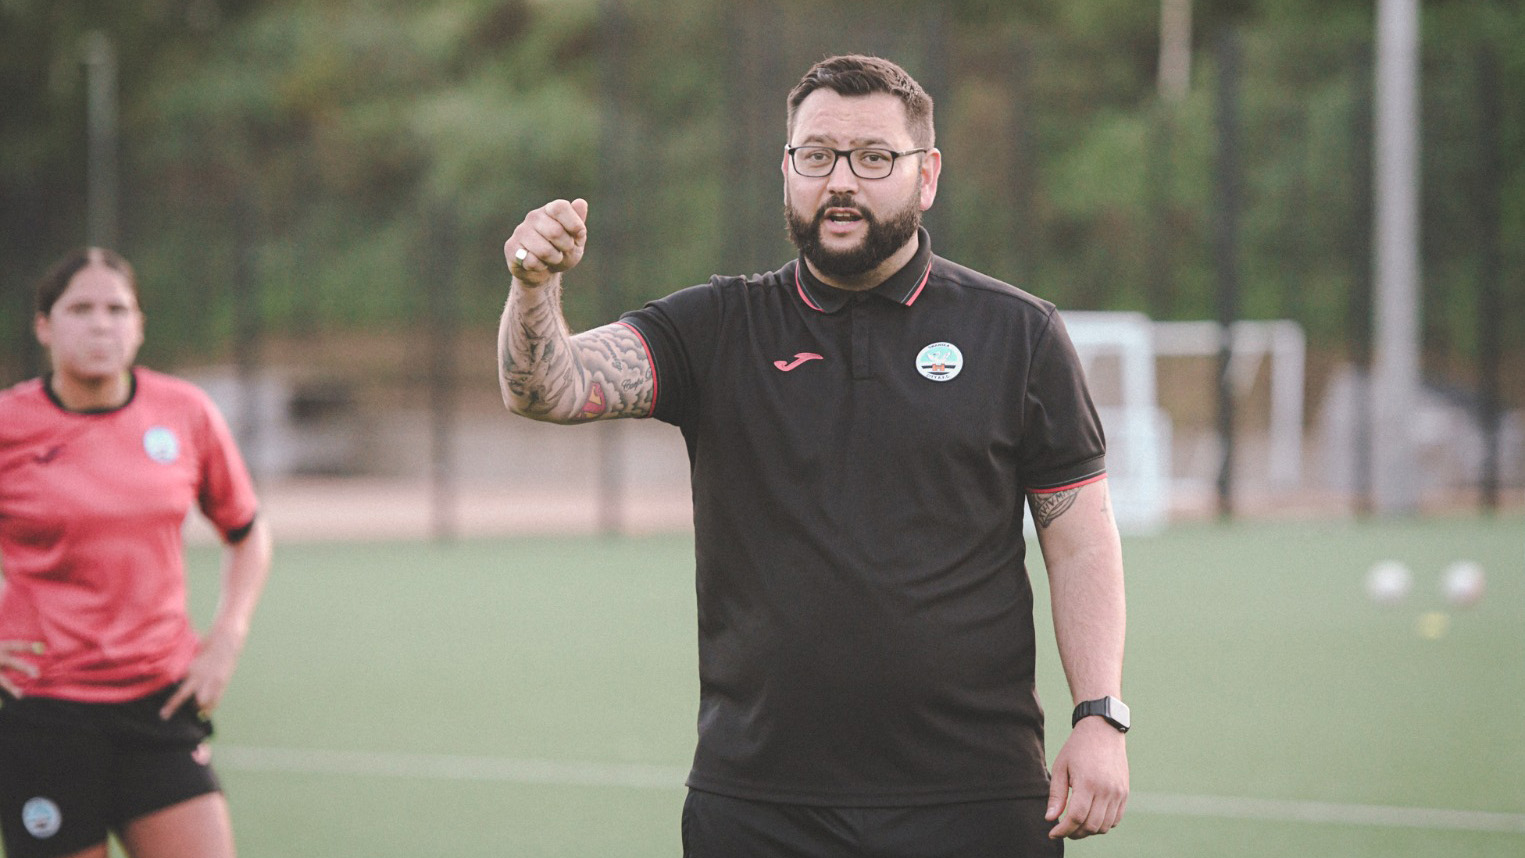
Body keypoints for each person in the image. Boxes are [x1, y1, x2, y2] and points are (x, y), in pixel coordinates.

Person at [498, 54, 1127, 857]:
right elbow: (546, 389)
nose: (841, 181)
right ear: (786, 167)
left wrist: (1099, 715)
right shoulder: (716, 327)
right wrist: (534, 287)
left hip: (974, 795)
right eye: (816, 155)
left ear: (926, 175)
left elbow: (1077, 537)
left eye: (873, 158)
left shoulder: (1016, 333)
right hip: (759, 801)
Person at [0, 248, 272, 858]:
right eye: (81, 309)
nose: (102, 324)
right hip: (47, 712)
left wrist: (225, 638)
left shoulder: (185, 413)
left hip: (161, 702)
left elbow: (249, 533)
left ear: (140, 325)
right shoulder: (9, 424)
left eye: (118, 309)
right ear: (44, 326)